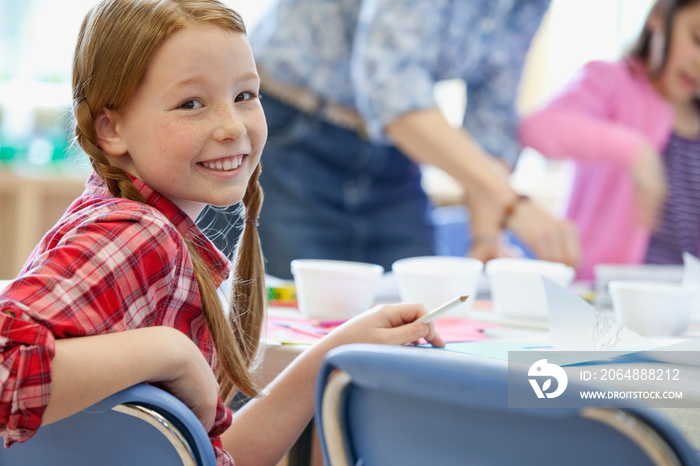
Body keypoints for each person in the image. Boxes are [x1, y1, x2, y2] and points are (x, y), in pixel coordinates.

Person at [0, 1, 445, 465]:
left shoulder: (136, 228)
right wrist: (169, 350)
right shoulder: (136, 235)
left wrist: (329, 354)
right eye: (191, 103)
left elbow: (206, 457)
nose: (232, 127)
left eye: (246, 96)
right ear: (111, 129)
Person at [198, 0, 580, 279]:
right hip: (293, 136)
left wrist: (486, 237)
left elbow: (491, 120)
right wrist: (515, 205)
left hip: (389, 151)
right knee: (284, 327)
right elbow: (393, 90)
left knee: (420, 315)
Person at [519, 0, 700, 280]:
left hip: (686, 304)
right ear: (659, 15)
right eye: (697, 38)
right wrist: (635, 152)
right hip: (602, 293)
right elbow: (538, 128)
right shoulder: (610, 82)